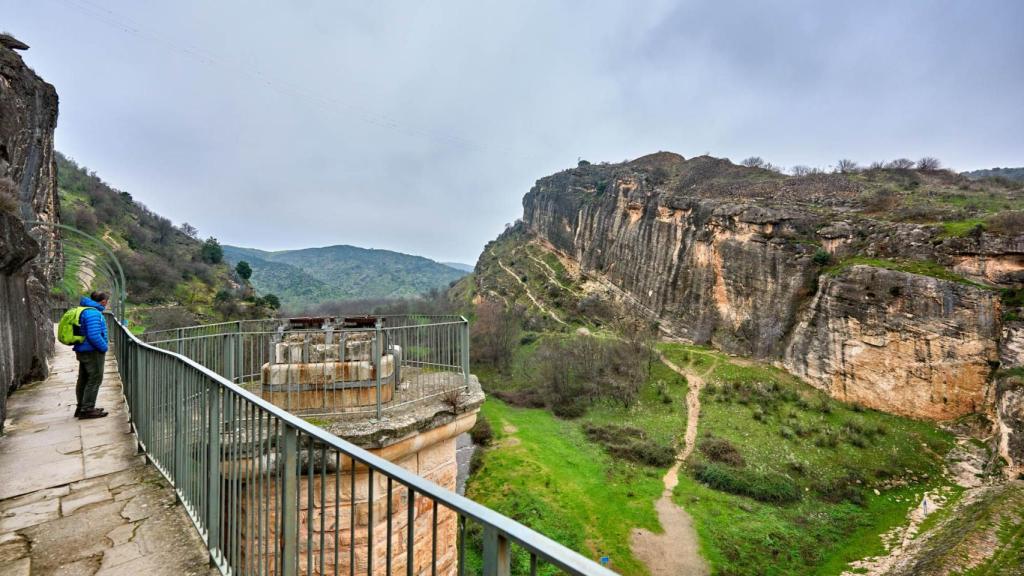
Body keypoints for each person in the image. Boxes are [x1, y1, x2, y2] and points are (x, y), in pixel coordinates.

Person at [74, 291, 110, 419]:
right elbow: (94, 335)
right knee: (95, 379)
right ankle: (87, 409)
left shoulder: (85, 310)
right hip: (92, 351)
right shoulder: (94, 313)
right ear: (104, 301)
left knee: (83, 379)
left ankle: (81, 407)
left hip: (83, 349)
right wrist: (104, 347)